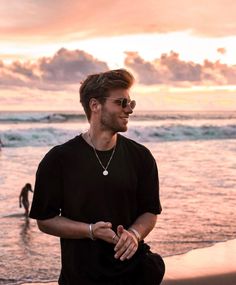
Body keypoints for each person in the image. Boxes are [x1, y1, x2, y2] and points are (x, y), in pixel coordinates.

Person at [29, 69, 165, 285]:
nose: (129, 110)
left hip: (134, 275)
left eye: (131, 103)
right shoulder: (59, 159)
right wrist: (90, 231)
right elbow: (45, 220)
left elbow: (150, 211)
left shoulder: (141, 157)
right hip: (81, 277)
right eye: (122, 103)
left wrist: (134, 234)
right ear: (95, 105)